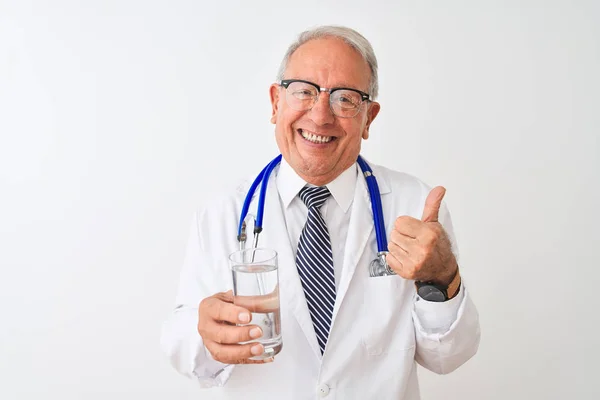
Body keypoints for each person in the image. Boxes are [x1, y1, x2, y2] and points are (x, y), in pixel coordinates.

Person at [161, 25, 480, 399]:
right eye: (303, 91)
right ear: (275, 103)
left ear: (369, 118)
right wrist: (204, 334)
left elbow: (448, 355)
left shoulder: (415, 206)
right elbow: (183, 347)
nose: (320, 115)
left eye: (345, 98)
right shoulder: (223, 211)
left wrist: (441, 277)